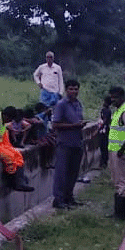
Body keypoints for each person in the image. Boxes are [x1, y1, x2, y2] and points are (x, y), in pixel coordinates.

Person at [51, 79, 86, 209]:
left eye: (76, 89)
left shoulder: (78, 104)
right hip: (64, 143)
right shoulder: (61, 105)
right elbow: (55, 124)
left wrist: (80, 125)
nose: (74, 91)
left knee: (73, 172)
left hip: (77, 143)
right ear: (66, 90)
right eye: (71, 89)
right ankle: (58, 199)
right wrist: (73, 125)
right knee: (62, 172)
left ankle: (68, 197)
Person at [0, 108, 35, 192]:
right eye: (10, 119)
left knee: (17, 155)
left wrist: (7, 147)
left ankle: (19, 178)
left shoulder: (4, 120)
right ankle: (15, 182)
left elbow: (2, 136)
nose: (10, 121)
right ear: (6, 116)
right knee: (9, 157)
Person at [107, 86, 125, 221]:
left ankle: (120, 216)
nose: (113, 100)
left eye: (116, 97)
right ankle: (116, 213)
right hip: (114, 150)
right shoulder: (117, 111)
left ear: (122, 97)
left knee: (121, 182)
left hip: (120, 152)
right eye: (112, 97)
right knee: (116, 181)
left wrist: (121, 150)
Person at [97, 90, 114, 170]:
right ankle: (104, 162)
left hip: (103, 130)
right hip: (106, 130)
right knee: (105, 147)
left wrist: (100, 128)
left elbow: (104, 120)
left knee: (103, 147)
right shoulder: (108, 110)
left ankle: (103, 163)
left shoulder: (105, 110)